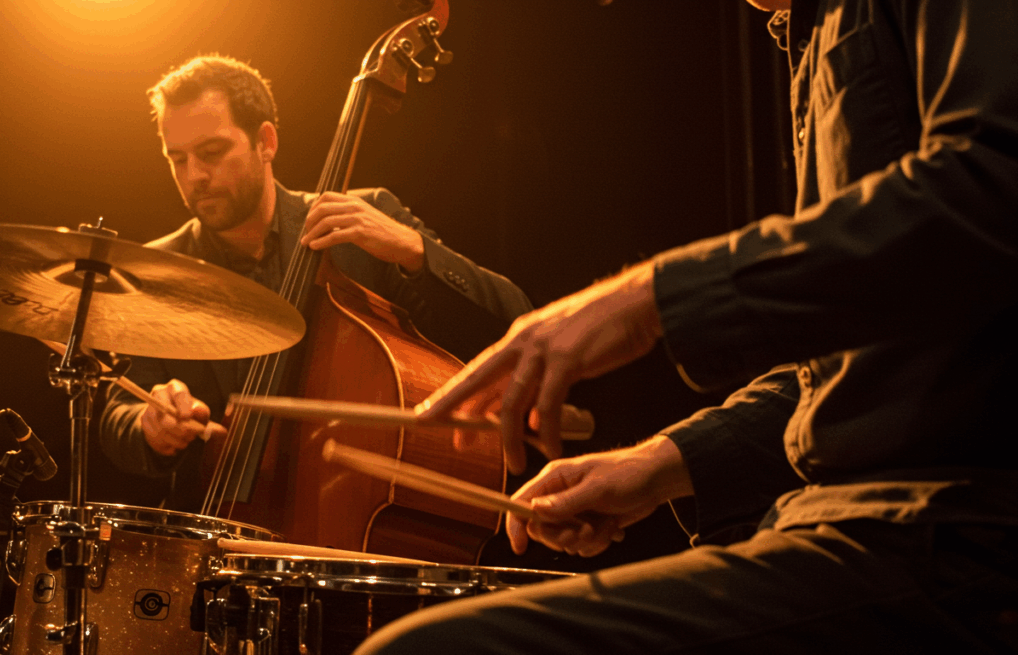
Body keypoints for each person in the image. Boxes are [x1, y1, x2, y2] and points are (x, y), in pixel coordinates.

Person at [357, 0, 1018, 652]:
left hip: (959, 535)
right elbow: (868, 349)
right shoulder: (806, 31)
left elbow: (994, 188)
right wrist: (662, 463)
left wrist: (652, 296)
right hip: (867, 528)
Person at [97, 55, 532, 512]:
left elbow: (512, 323)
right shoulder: (159, 269)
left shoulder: (363, 227)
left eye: (211, 153)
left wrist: (414, 252)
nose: (195, 176)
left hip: (356, 525)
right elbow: (117, 414)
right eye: (177, 159)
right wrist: (147, 425)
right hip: (215, 533)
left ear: (266, 142)